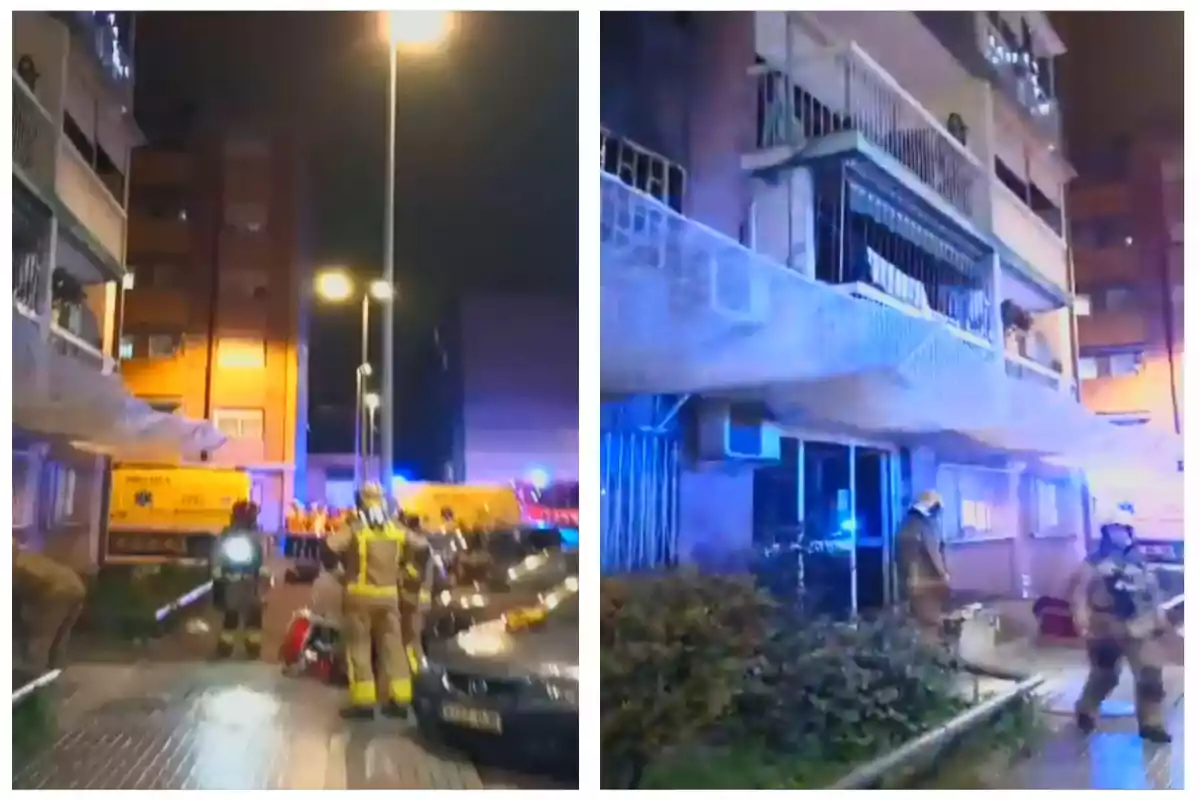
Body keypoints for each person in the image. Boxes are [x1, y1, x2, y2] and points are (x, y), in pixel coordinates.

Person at [324, 482, 427, 719]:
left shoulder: (356, 527)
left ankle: (364, 704)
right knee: (393, 648)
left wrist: (339, 573)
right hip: (389, 598)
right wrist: (408, 572)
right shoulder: (395, 527)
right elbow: (423, 548)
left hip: (358, 599)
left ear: (360, 501)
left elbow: (328, 548)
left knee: (359, 649)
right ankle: (401, 701)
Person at [1069, 510, 1172, 743]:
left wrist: (1159, 616)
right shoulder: (1092, 563)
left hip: (1140, 626)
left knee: (1150, 674)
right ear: (1105, 532)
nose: (1120, 533)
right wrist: (1081, 617)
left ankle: (1151, 723)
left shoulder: (1139, 561)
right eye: (1114, 529)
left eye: (1124, 529)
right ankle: (1086, 710)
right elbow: (1079, 593)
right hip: (1105, 627)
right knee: (1105, 676)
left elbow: (1152, 593)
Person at [13, 540, 87, 673]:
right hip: (75, 584)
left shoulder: (15, 565)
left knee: (41, 638)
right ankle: (54, 674)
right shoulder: (26, 559)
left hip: (58, 591)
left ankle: (34, 676)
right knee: (59, 638)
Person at [212, 500, 270, 659]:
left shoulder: (257, 535)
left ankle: (253, 647)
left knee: (254, 614)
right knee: (231, 614)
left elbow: (263, 555)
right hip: (232, 578)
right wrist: (217, 569)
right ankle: (225, 646)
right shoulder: (227, 534)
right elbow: (218, 552)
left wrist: (264, 572)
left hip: (252, 580)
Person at [895, 489, 951, 645]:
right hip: (926, 581)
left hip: (910, 580)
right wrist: (943, 574)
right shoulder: (924, 524)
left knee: (918, 618)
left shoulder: (906, 522)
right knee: (930, 620)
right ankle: (931, 652)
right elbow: (932, 550)